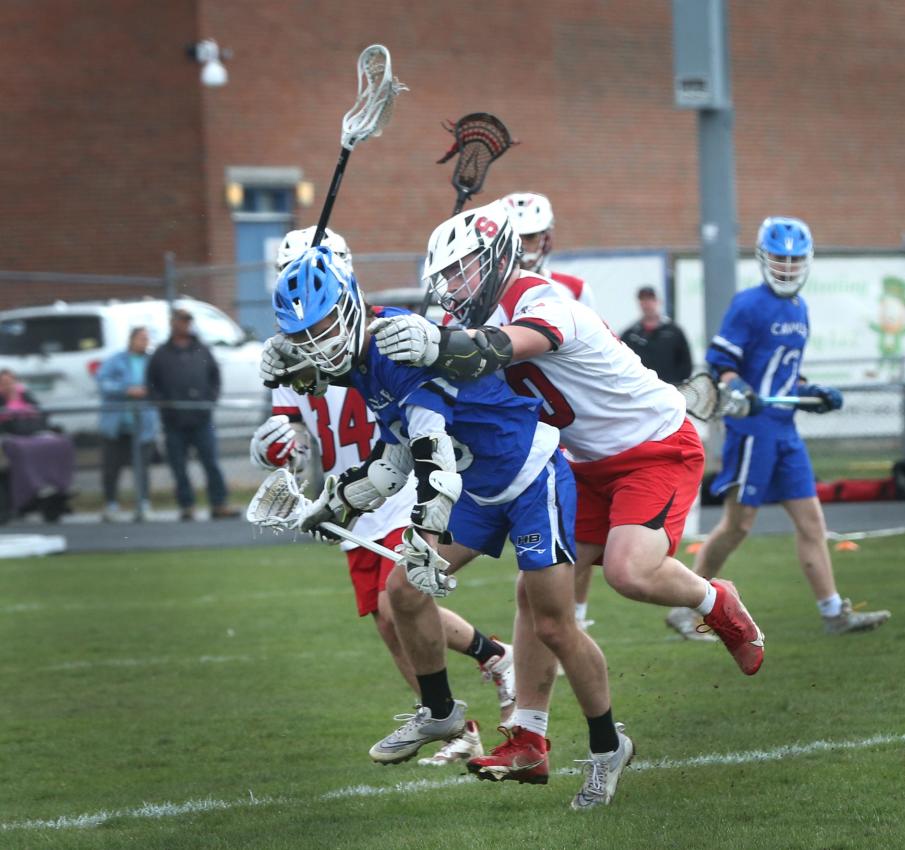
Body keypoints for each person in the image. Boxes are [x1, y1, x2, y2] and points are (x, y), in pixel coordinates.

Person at [369, 201, 765, 792]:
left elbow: (489, 350)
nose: (452, 287)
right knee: (537, 596)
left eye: (462, 271)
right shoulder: (480, 318)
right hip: (579, 463)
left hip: (654, 448)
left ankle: (715, 600)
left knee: (630, 573)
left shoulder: (547, 303)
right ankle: (528, 737)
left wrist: (439, 341)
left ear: (499, 259)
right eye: (445, 277)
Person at [265, 245, 632, 810]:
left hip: (530, 476)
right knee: (402, 593)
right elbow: (394, 458)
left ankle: (609, 748)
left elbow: (431, 452)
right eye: (305, 335)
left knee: (555, 625)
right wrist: (336, 502)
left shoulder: (397, 348)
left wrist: (425, 537)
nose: (316, 346)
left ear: (350, 306)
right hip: (479, 483)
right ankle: (440, 713)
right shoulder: (363, 358)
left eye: (323, 328)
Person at [252, 229, 514, 767]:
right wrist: (275, 446)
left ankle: (495, 660)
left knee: (402, 601)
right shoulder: (299, 351)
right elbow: (291, 433)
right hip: (356, 490)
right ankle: (447, 719)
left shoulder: (380, 337)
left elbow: (415, 406)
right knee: (387, 621)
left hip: (400, 482)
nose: (314, 327)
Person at [664, 217, 891, 638]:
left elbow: (787, 375)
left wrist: (813, 392)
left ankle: (832, 613)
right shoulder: (749, 304)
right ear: (764, 258)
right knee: (737, 526)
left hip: (785, 431)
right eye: (779, 258)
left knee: (812, 524)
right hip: (753, 430)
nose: (786, 267)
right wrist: (740, 389)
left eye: (794, 259)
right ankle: (685, 605)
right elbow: (721, 365)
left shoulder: (800, 309)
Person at [502, 191, 596, 629]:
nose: (526, 245)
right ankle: (556, 622)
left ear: (549, 237)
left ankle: (575, 615)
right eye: (517, 237)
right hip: (523, 427)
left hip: (570, 424)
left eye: (533, 236)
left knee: (578, 533)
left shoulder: (573, 290)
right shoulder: (491, 294)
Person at [147, 308, 239, 521]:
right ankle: (186, 505)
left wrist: (209, 400)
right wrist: (164, 404)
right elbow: (152, 383)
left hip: (201, 418)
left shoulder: (202, 349)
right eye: (181, 321)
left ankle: (219, 503)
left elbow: (214, 377)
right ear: (173, 324)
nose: (185, 325)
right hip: (174, 420)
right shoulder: (161, 353)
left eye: (188, 322)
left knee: (211, 462)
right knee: (179, 466)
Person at [97, 326, 160, 521]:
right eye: (141, 338)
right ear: (131, 339)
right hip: (116, 425)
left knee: (141, 468)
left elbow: (159, 385)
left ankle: (143, 504)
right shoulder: (116, 360)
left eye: (147, 338)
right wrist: (126, 390)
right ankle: (111, 505)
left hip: (143, 425)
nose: (145, 342)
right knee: (111, 468)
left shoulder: (152, 362)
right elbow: (102, 382)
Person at [0, 368, 73, 522]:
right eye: (4, 382)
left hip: (34, 433)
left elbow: (41, 412)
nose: (8, 385)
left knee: (60, 443)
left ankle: (56, 485)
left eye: (11, 381)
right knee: (22, 449)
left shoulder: (25, 395)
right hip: (11, 437)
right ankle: (32, 487)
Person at [502, 192, 596, 310]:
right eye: (513, 237)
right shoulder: (487, 291)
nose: (520, 245)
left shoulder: (575, 289)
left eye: (530, 236)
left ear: (547, 239)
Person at [620, 286, 693, 386]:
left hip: (670, 389)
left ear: (658, 301)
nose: (647, 304)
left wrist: (677, 384)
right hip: (641, 390)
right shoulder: (630, 335)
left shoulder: (674, 331)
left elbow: (686, 363)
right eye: (643, 300)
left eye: (650, 299)